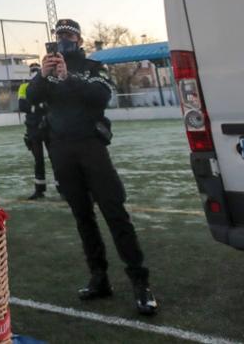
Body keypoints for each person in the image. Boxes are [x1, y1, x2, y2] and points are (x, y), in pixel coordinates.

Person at [28, 19, 157, 315]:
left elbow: (101, 96)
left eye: (68, 35)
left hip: (91, 148)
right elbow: (30, 100)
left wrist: (68, 76)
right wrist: (44, 76)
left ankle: (141, 283)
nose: (63, 40)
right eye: (59, 35)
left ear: (79, 38)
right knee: (82, 217)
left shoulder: (94, 66)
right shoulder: (44, 69)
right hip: (61, 150)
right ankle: (99, 278)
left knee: (115, 213)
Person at [21, 62, 48, 200]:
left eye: (37, 69)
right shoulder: (24, 86)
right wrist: (39, 107)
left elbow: (49, 104)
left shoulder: (47, 83)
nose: (34, 72)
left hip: (48, 126)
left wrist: (33, 106)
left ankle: (62, 189)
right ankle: (39, 189)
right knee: (38, 160)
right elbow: (22, 105)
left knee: (56, 159)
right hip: (32, 127)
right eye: (32, 70)